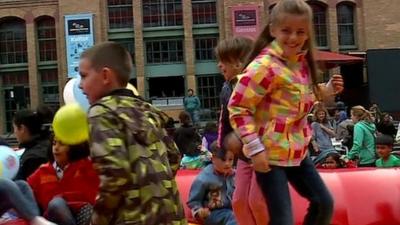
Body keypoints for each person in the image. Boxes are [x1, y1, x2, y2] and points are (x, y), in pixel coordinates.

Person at [228, 1, 344, 224]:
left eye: (300, 32)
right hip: (270, 154)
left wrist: (326, 91)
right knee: (282, 218)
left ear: (308, 33)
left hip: (297, 151)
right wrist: (254, 147)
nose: (293, 38)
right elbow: (238, 107)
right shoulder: (264, 66)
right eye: (286, 31)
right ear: (273, 30)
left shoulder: (299, 65)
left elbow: (296, 102)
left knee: (324, 203)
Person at [79, 42, 186, 225]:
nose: (80, 86)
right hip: (171, 216)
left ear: (105, 75)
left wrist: (98, 220)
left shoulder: (101, 112)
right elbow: (174, 156)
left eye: (83, 76)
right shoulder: (145, 109)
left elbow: (115, 176)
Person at [215, 36, 268, 225]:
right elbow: (224, 120)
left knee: (257, 201)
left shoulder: (257, 84)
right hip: (246, 154)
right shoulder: (226, 88)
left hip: (264, 152)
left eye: (223, 61)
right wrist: (221, 151)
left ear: (238, 63)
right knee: (238, 201)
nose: (219, 66)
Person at [187, 142, 236, 225]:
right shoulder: (204, 178)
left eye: (230, 160)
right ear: (213, 159)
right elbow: (194, 201)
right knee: (233, 217)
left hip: (233, 209)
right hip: (213, 213)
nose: (227, 163)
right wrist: (199, 211)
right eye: (223, 160)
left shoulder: (235, 175)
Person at [13, 109, 51, 180]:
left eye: (14, 128)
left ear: (22, 128)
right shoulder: (49, 144)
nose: (14, 132)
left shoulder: (32, 158)